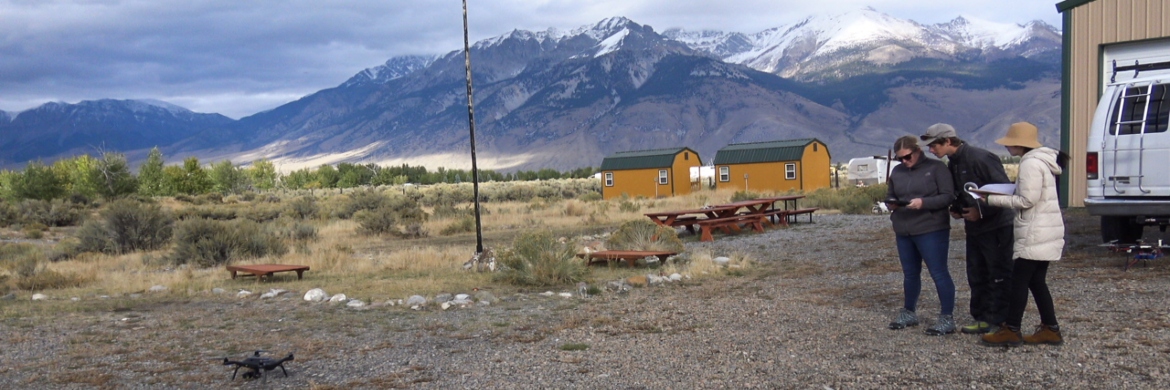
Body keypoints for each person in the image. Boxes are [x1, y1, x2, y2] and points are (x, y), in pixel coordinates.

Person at [921, 123, 1016, 335]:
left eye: (934, 145)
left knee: (998, 272)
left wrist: (980, 211)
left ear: (948, 141)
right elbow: (965, 193)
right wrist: (958, 208)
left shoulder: (980, 157)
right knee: (976, 272)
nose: (931, 150)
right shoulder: (953, 163)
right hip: (975, 228)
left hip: (997, 225)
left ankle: (1000, 320)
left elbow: (1005, 191)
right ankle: (982, 317)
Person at [979, 122, 1065, 347]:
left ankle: (1012, 329)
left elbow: (1027, 201)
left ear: (1020, 144)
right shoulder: (1043, 162)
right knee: (1036, 282)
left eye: (1010, 143)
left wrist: (990, 198)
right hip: (1045, 229)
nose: (1007, 147)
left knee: (1019, 281)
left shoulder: (1030, 164)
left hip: (1034, 231)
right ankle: (1050, 328)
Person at [884, 136, 957, 335]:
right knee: (910, 273)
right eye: (900, 159)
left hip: (931, 229)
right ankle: (909, 311)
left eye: (907, 157)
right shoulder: (897, 171)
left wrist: (924, 203)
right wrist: (891, 203)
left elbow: (948, 196)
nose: (904, 162)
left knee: (938, 272)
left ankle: (946, 317)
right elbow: (891, 193)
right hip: (904, 228)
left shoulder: (936, 168)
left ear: (917, 151)